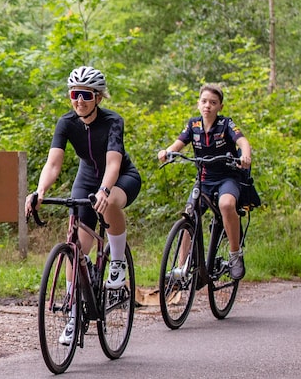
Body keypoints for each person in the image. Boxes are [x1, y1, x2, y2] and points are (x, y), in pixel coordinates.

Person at [25, 65, 143, 346]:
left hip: (121, 177)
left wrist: (104, 189)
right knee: (75, 248)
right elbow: (53, 164)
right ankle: (74, 314)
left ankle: (117, 262)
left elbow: (114, 162)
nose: (79, 100)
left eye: (86, 95)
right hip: (86, 178)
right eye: (75, 94)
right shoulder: (66, 123)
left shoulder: (113, 121)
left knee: (110, 201)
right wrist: (40, 191)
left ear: (98, 98)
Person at [157, 83, 253, 280]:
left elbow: (242, 141)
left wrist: (245, 156)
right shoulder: (193, 125)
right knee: (189, 215)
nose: (208, 105)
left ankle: (235, 255)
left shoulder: (226, 124)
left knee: (226, 205)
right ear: (198, 104)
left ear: (220, 107)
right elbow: (178, 144)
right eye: (204, 101)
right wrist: (167, 152)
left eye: (213, 102)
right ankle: (182, 268)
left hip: (227, 178)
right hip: (204, 179)